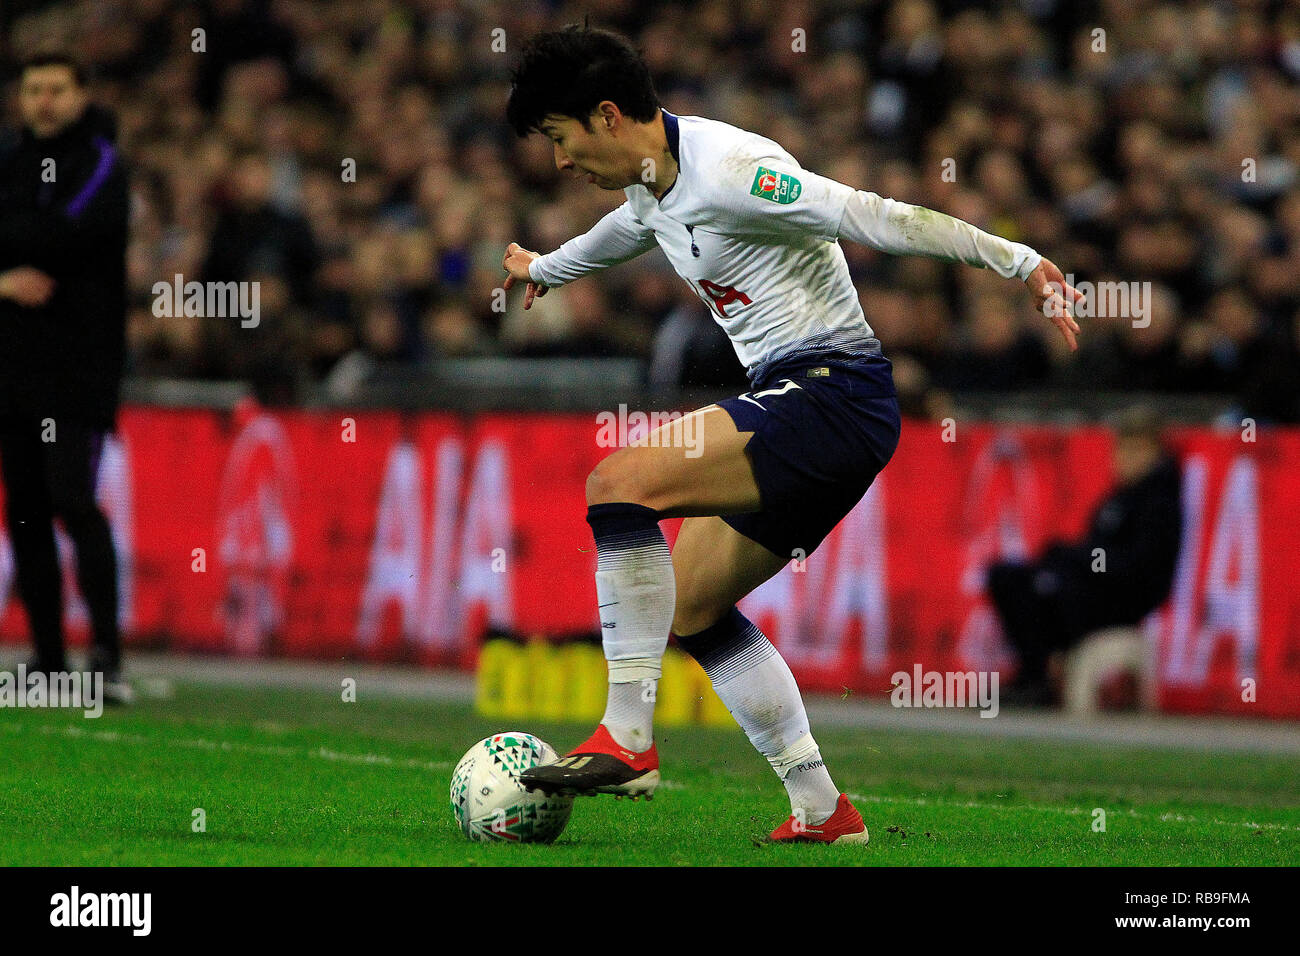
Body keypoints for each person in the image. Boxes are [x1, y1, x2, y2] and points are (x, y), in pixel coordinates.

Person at [500, 26, 1080, 844]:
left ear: (606, 116)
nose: (559, 162)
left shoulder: (734, 171)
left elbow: (869, 214)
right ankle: (823, 809)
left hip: (832, 392)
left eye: (561, 138)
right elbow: (629, 231)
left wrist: (1019, 262)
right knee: (696, 604)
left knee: (617, 483)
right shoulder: (648, 183)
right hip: (809, 400)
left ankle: (627, 737)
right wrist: (546, 269)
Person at [0, 52, 131, 703]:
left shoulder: (102, 163)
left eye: (56, 88)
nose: (44, 101)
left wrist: (18, 243)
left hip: (77, 370)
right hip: (12, 368)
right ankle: (48, 661)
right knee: (24, 514)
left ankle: (106, 655)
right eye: (33, 90)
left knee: (74, 502)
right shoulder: (9, 161)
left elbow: (63, 235)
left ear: (82, 93)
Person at [986, 408, 1183, 708]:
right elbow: (1096, 549)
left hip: (1120, 602)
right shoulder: (1118, 498)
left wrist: (1079, 559)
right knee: (1008, 578)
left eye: (1134, 449)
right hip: (1091, 589)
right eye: (1121, 448)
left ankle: (1041, 680)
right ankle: (1034, 675)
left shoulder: (1161, 505)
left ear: (1153, 452)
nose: (1123, 458)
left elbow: (1137, 568)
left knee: (1050, 589)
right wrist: (1072, 558)